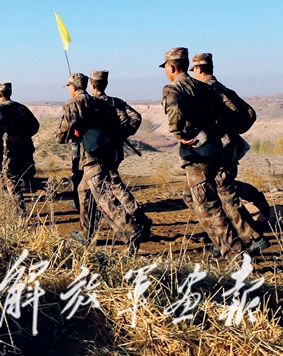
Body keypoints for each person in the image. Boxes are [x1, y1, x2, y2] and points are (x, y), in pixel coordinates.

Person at [160, 48, 243, 258]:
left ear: (171, 67)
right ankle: (220, 243)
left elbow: (174, 112)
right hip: (215, 149)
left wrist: (179, 134)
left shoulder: (172, 89)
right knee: (192, 196)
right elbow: (228, 110)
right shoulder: (204, 87)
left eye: (166, 68)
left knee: (209, 204)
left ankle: (237, 253)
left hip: (197, 153)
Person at [56, 73, 148, 253]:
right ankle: (86, 233)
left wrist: (75, 133)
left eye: (69, 87)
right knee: (84, 190)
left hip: (92, 156)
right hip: (108, 152)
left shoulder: (72, 104)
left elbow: (61, 136)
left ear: (73, 87)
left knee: (103, 196)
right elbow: (124, 119)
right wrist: (115, 136)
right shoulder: (102, 103)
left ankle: (131, 232)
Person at [191, 53, 270, 254]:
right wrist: (233, 130)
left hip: (216, 150)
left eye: (194, 71)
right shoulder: (224, 89)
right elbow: (249, 113)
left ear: (198, 69)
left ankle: (252, 238)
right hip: (226, 148)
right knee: (220, 188)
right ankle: (232, 231)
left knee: (224, 192)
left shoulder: (204, 90)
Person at [89, 71, 151, 228]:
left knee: (107, 185)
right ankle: (138, 216)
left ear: (92, 85)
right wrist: (122, 133)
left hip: (99, 152)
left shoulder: (90, 104)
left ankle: (132, 222)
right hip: (116, 150)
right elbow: (136, 117)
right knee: (113, 182)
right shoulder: (116, 102)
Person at [0, 82, 40, 208]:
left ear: (0, 94)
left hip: (11, 149)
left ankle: (20, 210)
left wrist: (13, 135)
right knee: (27, 176)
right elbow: (35, 125)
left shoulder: (0, 109)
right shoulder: (21, 108)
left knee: (10, 178)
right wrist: (24, 136)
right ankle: (48, 188)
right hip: (26, 147)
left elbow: (0, 125)